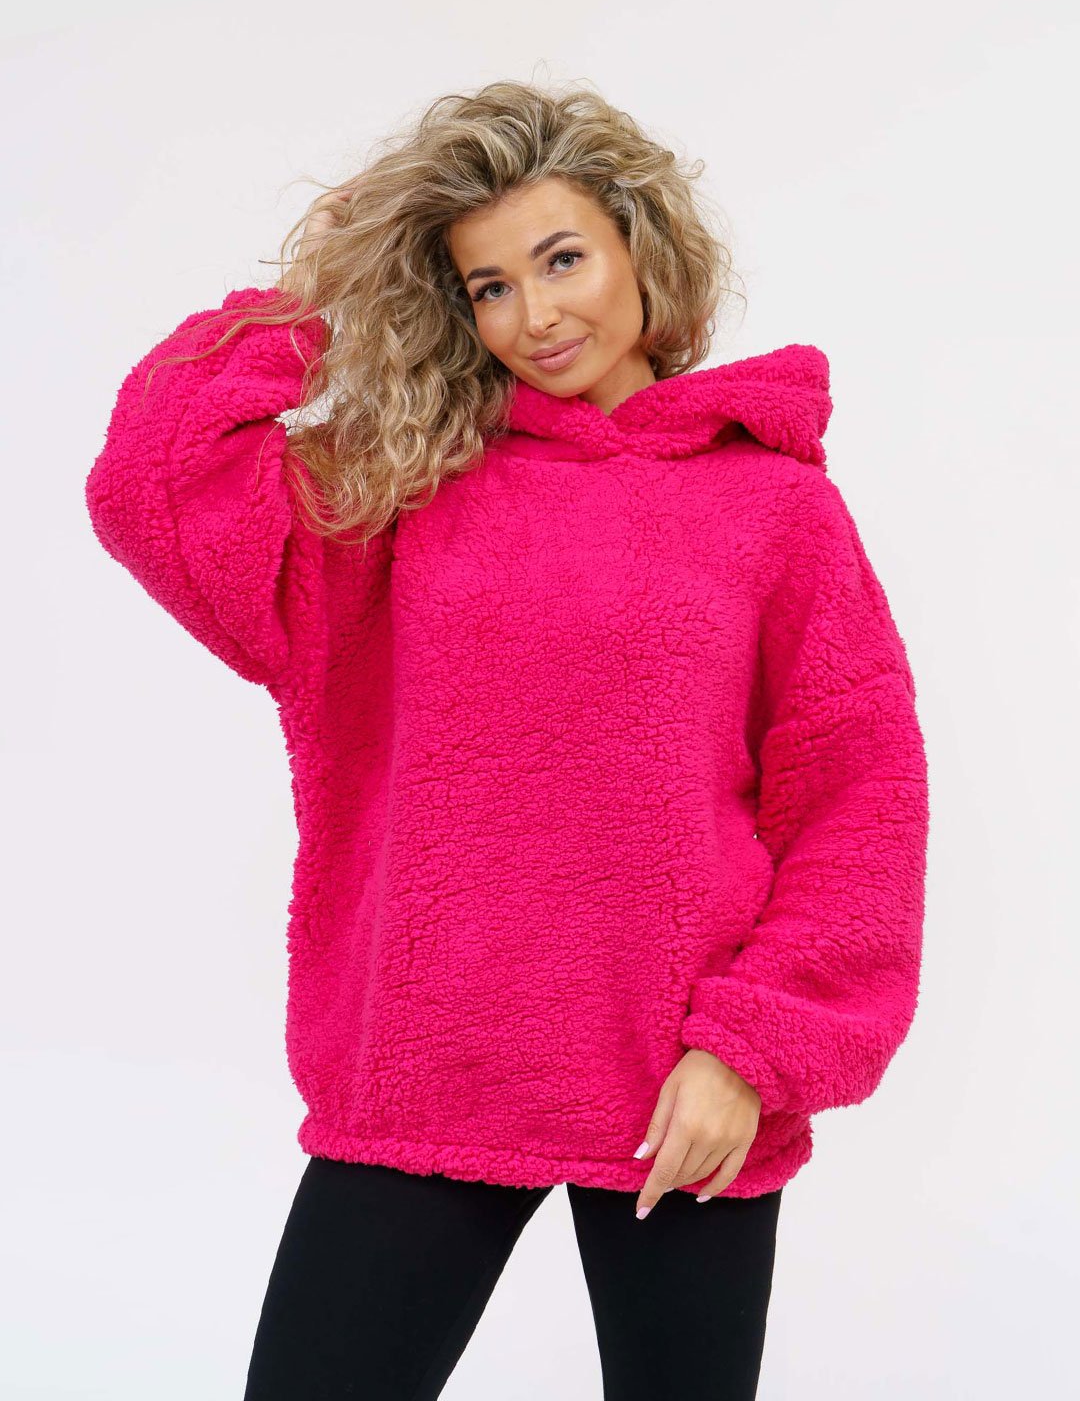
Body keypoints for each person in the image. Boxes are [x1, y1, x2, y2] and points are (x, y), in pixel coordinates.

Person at [84, 79, 930, 1399]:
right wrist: (317, 291)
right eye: (489, 286)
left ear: (641, 248)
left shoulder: (775, 511)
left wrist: (752, 1052)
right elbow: (156, 484)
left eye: (562, 259)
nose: (534, 315)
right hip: (428, 1073)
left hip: (685, 1089)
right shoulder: (400, 494)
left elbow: (857, 805)